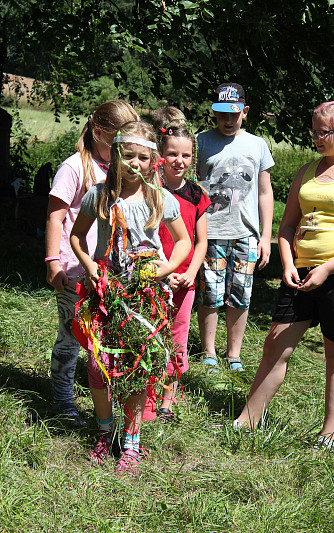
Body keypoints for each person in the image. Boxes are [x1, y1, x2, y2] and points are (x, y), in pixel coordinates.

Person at [70, 120, 191, 473]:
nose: (133, 164)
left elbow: (183, 241)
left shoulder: (160, 198)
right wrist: (88, 264)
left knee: (136, 370)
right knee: (97, 364)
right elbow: (78, 236)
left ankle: (132, 442)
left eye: (142, 157)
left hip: (144, 299)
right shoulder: (99, 195)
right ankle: (105, 433)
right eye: (128, 155)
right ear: (116, 155)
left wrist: (165, 271)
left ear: (154, 160)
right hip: (108, 292)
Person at [236, 101, 334, 449]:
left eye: (324, 131)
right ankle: (245, 421)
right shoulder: (307, 172)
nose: (316, 137)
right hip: (299, 274)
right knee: (274, 345)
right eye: (314, 131)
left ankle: (328, 436)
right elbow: (287, 225)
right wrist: (287, 263)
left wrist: (328, 268)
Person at [45, 101, 139, 427]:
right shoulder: (74, 168)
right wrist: (52, 262)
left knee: (100, 336)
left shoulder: (117, 170)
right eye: (118, 143)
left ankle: (100, 391)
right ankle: (62, 397)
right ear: (98, 132)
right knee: (71, 336)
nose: (124, 151)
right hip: (73, 269)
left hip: (106, 272)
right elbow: (56, 218)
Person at [196, 82, 274, 371]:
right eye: (221, 115)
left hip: (246, 234)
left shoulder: (257, 145)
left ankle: (234, 354)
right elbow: (191, 188)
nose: (227, 121)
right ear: (213, 113)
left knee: (240, 294)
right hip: (210, 233)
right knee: (210, 293)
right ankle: (208, 352)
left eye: (234, 114)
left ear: (245, 111)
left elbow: (265, 192)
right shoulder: (200, 142)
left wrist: (266, 236)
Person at [144, 106, 211, 422]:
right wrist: (162, 270)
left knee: (177, 341)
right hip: (152, 277)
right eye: (172, 154)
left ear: (192, 158)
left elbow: (201, 243)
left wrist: (190, 274)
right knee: (148, 336)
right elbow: (143, 237)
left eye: (185, 155)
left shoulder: (197, 194)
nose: (178, 161)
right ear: (161, 153)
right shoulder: (149, 192)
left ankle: (167, 402)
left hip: (184, 283)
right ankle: (144, 399)